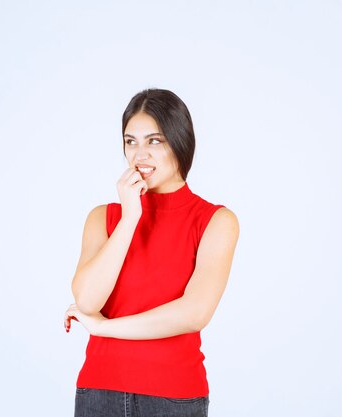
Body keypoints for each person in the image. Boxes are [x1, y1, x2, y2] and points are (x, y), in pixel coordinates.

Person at [64, 88, 239, 417]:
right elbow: (88, 301)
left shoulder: (216, 221)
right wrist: (130, 218)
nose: (139, 155)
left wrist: (103, 328)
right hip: (99, 393)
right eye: (131, 141)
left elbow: (193, 314)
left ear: (180, 141)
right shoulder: (105, 218)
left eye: (154, 141)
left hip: (173, 397)